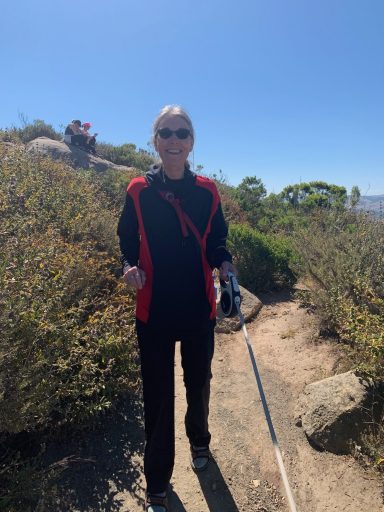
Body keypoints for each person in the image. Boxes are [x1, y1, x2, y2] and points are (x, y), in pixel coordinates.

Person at [117, 105, 235, 512]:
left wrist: (225, 264)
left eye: (181, 132)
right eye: (165, 132)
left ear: (191, 142)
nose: (173, 139)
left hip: (198, 308)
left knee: (198, 383)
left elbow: (217, 240)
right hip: (154, 312)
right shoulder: (137, 190)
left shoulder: (207, 191)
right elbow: (126, 239)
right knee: (158, 396)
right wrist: (129, 266)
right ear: (155, 140)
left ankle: (199, 442)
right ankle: (157, 482)